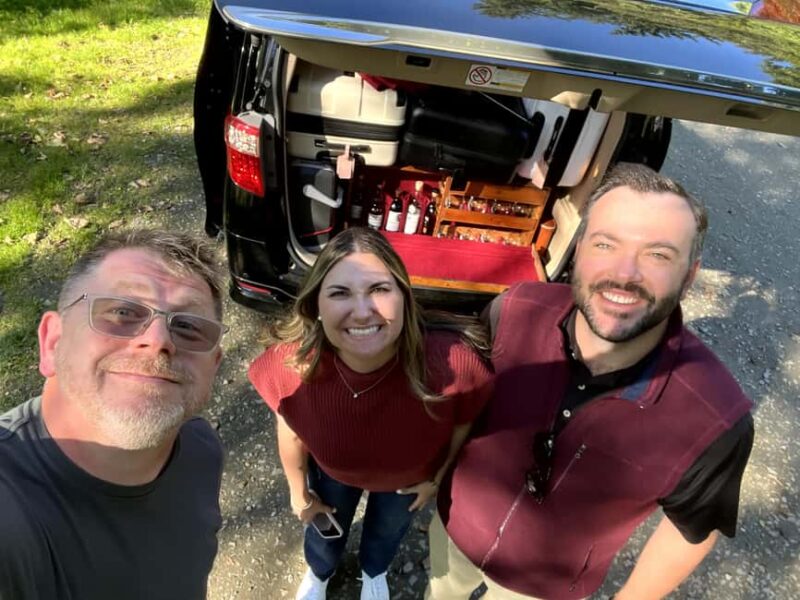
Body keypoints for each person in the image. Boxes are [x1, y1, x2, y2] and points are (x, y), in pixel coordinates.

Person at [427, 163, 754, 600]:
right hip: (454, 532)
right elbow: (465, 397)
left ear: (689, 276)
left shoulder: (715, 419)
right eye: (605, 244)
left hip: (545, 590)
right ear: (578, 249)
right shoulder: (515, 310)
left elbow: (691, 530)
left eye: (658, 255)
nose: (625, 273)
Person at [248, 227, 493, 600]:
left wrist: (437, 479)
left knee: (386, 533)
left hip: (407, 482)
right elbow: (290, 427)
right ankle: (320, 573)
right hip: (332, 474)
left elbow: (463, 422)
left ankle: (373, 572)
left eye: (379, 289)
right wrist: (299, 492)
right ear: (315, 306)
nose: (362, 312)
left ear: (404, 297)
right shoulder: (287, 365)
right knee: (324, 531)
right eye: (339, 293)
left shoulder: (455, 363)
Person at [0, 229, 227, 600]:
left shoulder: (202, 449)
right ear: (52, 343)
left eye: (187, 326)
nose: (159, 341)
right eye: (122, 312)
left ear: (213, 367)